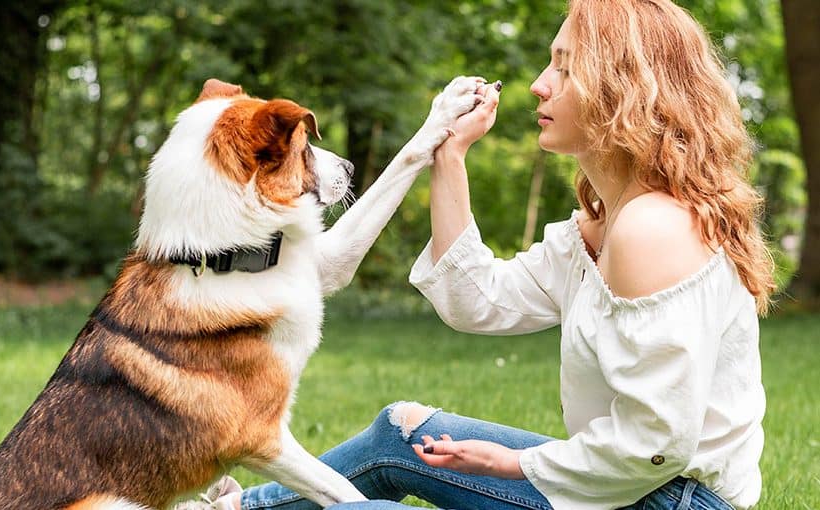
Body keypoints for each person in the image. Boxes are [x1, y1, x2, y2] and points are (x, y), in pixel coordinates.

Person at [182, 0, 774, 508]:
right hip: (622, 488)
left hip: (669, 499)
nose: (540, 84)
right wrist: (450, 155)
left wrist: (513, 464)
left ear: (623, 90)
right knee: (400, 433)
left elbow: (657, 444)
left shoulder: (653, 229)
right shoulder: (601, 226)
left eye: (564, 69)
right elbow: (476, 300)